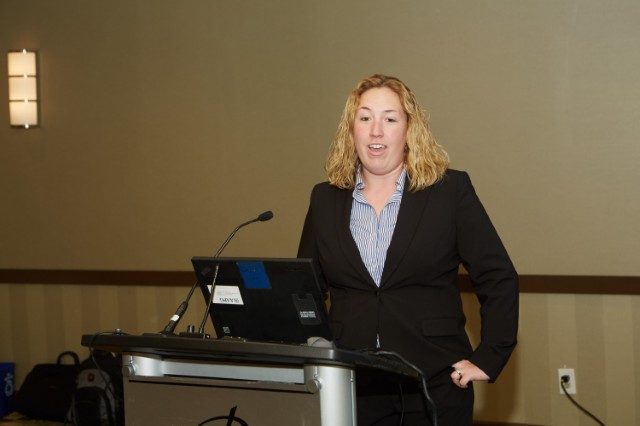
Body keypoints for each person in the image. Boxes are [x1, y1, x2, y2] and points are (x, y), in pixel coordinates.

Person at [297, 74, 519, 425]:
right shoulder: (324, 198)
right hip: (350, 386)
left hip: (435, 384)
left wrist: (490, 355)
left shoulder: (450, 191)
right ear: (351, 130)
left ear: (409, 129)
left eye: (390, 119)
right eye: (365, 118)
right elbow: (305, 291)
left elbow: (498, 277)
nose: (376, 131)